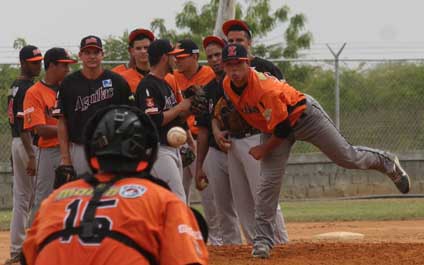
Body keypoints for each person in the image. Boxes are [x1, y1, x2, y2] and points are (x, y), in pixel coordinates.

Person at [220, 43, 411, 258]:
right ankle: (263, 241)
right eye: (229, 65)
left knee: (347, 157)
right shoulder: (227, 84)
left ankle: (387, 162)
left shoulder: (265, 88)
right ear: (223, 67)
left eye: (239, 64)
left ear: (248, 64)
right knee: (267, 185)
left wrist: (264, 149)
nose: (234, 70)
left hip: (304, 117)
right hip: (275, 127)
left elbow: (283, 129)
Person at [21, 105, 209, 265]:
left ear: (92, 150)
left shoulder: (55, 199)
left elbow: (26, 258)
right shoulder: (163, 200)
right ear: (146, 152)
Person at [165, 39, 221, 245]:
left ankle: (216, 240)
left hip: (202, 140)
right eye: (175, 56)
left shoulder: (209, 75)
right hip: (177, 141)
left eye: (182, 56)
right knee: (180, 193)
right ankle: (184, 237)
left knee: (209, 194)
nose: (177, 60)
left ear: (195, 57)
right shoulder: (172, 78)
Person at [55, 35, 133, 177]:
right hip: (80, 147)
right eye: (87, 52)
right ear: (80, 55)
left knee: (109, 192)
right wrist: (65, 158)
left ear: (102, 54)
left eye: (96, 52)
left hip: (111, 147)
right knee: (82, 192)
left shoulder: (117, 81)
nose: (92, 56)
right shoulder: (69, 83)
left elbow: (129, 118)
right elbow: (62, 122)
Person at [195, 36, 241, 245]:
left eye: (218, 55)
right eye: (210, 56)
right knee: (223, 208)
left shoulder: (240, 83)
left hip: (241, 146)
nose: (214, 60)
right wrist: (199, 166)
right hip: (215, 152)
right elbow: (203, 131)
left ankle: (275, 243)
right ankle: (233, 251)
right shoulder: (208, 90)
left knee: (254, 202)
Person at [23, 47, 77, 224]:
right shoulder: (34, 92)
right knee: (43, 201)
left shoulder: (69, 90)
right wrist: (69, 130)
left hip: (70, 150)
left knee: (72, 199)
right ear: (52, 66)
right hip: (48, 153)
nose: (68, 70)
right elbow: (40, 129)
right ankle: (32, 247)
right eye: (64, 66)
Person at [135, 39, 192, 202]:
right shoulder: (147, 85)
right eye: (173, 56)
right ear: (164, 58)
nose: (176, 60)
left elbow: (174, 117)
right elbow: (154, 119)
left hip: (172, 148)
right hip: (158, 150)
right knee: (177, 199)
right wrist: (181, 107)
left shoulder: (165, 83)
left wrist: (189, 109)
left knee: (176, 200)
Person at [5, 45, 42, 265]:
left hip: (16, 143)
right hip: (28, 144)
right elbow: (25, 125)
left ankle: (17, 249)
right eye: (34, 61)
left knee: (21, 198)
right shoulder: (29, 88)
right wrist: (30, 155)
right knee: (34, 197)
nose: (38, 65)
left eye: (39, 61)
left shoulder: (14, 86)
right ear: (23, 63)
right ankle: (31, 248)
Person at [120, 28, 155, 93]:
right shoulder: (123, 79)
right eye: (138, 48)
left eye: (146, 47)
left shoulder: (166, 77)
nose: (143, 51)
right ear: (131, 51)